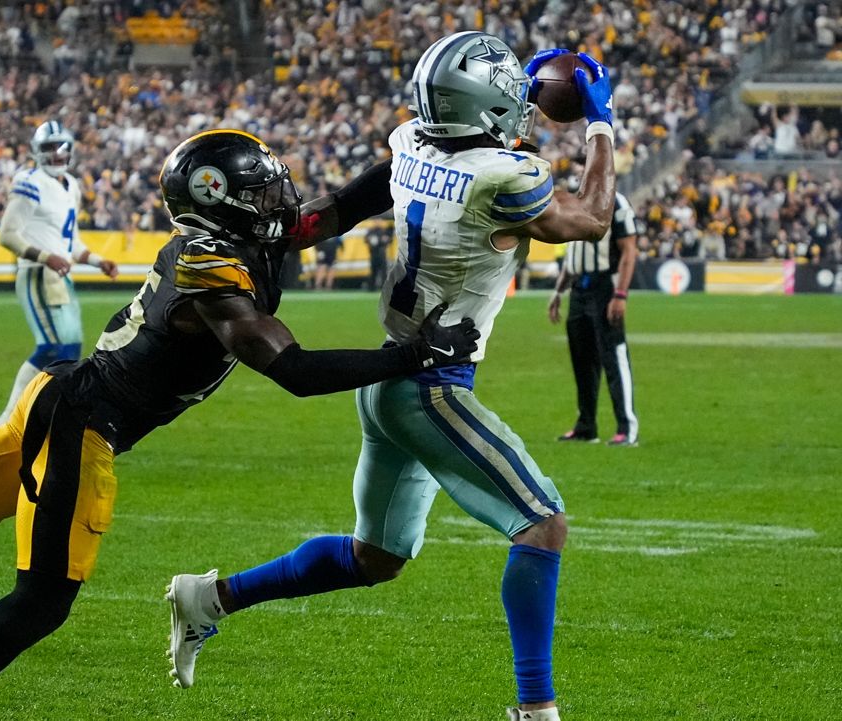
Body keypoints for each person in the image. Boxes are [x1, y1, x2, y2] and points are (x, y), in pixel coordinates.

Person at [0, 130, 481, 720]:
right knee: (39, 602)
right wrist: (409, 355)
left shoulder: (243, 236)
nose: (284, 195)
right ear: (229, 202)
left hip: (59, 397)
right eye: (267, 185)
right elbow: (295, 371)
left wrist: (424, 149)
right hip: (84, 422)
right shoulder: (214, 268)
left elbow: (343, 203)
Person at [165, 37, 619, 721]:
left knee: (375, 556)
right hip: (430, 382)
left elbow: (344, 205)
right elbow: (593, 216)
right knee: (542, 523)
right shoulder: (503, 177)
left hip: (386, 381)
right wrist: (603, 123)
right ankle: (537, 710)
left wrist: (281, 234)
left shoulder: (412, 145)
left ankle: (211, 598)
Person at [0, 120, 120, 427]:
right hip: (37, 272)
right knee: (52, 347)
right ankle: (8, 423)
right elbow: (7, 235)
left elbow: (70, 243)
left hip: (60, 276)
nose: (57, 154)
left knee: (71, 351)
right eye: (50, 148)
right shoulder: (29, 181)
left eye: (62, 147)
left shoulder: (71, 185)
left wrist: (98, 260)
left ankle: (46, 417)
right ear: (37, 151)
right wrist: (44, 256)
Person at [548, 191, 639, 446]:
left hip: (605, 287)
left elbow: (629, 251)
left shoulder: (616, 202)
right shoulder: (576, 199)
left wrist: (620, 294)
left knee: (613, 355)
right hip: (579, 286)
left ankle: (626, 426)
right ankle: (586, 425)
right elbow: (572, 253)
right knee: (582, 360)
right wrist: (558, 290)